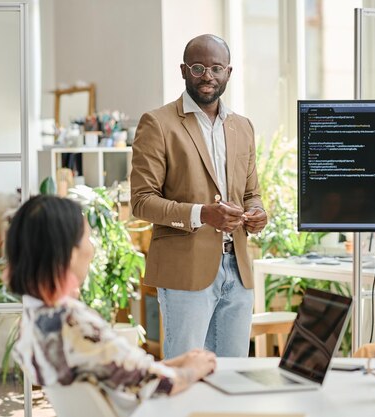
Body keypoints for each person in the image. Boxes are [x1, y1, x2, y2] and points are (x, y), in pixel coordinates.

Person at [8, 195, 216, 414]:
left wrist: (183, 361)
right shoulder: (73, 322)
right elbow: (157, 384)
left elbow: (125, 371)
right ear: (69, 253)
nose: (92, 250)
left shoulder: (34, 319)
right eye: (87, 238)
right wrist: (194, 370)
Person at [131, 34, 267, 359]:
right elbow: (141, 200)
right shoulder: (158, 124)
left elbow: (251, 194)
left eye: (216, 68)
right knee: (186, 376)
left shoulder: (243, 127)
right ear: (183, 71)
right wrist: (202, 214)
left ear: (228, 73)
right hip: (185, 272)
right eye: (198, 67)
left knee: (233, 377)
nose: (207, 75)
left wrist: (257, 212)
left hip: (239, 269)